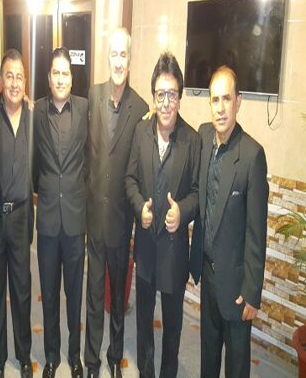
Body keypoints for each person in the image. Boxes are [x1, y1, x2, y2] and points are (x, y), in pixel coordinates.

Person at [125, 52, 201, 378]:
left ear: (180, 97)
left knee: (172, 327)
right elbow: (130, 179)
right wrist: (139, 206)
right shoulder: (140, 132)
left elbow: (197, 193)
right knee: (144, 322)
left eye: (172, 94)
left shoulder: (192, 140)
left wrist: (182, 212)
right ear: (153, 97)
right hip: (145, 248)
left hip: (173, 254)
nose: (166, 102)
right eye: (160, 94)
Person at [189, 66, 269, 378]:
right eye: (214, 99)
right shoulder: (203, 136)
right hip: (208, 275)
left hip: (236, 287)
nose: (220, 108)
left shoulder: (252, 156)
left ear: (238, 101)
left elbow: (256, 233)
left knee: (236, 366)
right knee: (208, 355)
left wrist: (252, 292)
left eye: (226, 99)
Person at [85, 27, 149, 378]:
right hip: (94, 218)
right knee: (94, 296)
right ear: (106, 57)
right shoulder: (92, 96)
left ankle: (114, 359)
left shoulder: (141, 108)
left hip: (122, 222)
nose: (118, 61)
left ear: (130, 59)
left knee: (118, 302)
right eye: (114, 54)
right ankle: (92, 360)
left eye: (124, 54)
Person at [33, 47, 88, 378]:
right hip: (48, 221)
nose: (60, 78)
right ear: (48, 76)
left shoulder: (84, 108)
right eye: (55, 72)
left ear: (72, 77)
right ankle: (52, 357)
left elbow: (91, 158)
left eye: (65, 73)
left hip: (75, 220)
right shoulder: (36, 111)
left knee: (74, 295)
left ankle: (75, 355)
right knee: (50, 294)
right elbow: (31, 161)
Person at [0, 49, 34, 378]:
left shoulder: (33, 116)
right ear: (1, 80)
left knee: (22, 291)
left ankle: (24, 355)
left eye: (19, 76)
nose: (14, 82)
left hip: (20, 218)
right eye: (9, 76)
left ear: (25, 82)